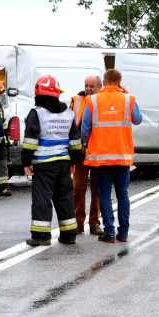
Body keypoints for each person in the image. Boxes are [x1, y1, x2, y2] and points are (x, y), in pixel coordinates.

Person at [81, 68, 143, 243]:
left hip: (101, 156)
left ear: (104, 83)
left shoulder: (92, 100)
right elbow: (138, 119)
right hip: (122, 156)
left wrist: (88, 143)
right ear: (119, 82)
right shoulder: (128, 99)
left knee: (105, 194)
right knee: (123, 194)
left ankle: (109, 232)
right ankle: (123, 233)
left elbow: (85, 128)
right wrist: (128, 96)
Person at [21, 75, 82, 246]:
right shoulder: (69, 114)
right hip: (63, 164)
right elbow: (76, 143)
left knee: (42, 199)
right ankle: (69, 235)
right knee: (65, 198)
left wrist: (26, 162)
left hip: (43, 164)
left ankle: (41, 236)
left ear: (38, 93)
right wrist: (73, 162)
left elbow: (30, 142)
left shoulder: (37, 113)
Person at [69, 75, 102, 234]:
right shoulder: (76, 100)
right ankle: (78, 223)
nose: (88, 88)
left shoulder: (103, 101)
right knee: (78, 189)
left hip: (97, 152)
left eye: (92, 86)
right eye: (86, 85)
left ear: (99, 87)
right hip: (80, 152)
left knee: (97, 190)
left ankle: (95, 223)